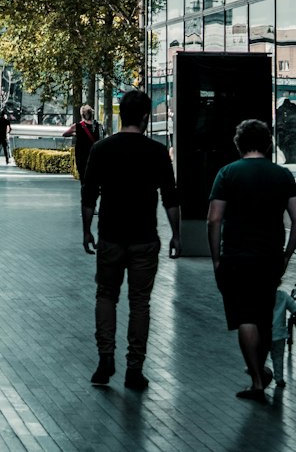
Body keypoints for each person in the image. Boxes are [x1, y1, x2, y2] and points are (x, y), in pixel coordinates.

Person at [81, 88, 180, 391]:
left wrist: (87, 230)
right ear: (146, 118)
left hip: (110, 236)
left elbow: (89, 195)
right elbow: (170, 198)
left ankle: (105, 359)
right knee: (140, 303)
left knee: (106, 296)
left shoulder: (101, 149)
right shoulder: (157, 152)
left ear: (120, 115)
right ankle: (134, 368)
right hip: (144, 238)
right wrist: (177, 234)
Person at [207, 117, 296, 401]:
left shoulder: (227, 173)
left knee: (244, 317)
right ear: (268, 143)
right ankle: (262, 373)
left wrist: (216, 259)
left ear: (239, 144)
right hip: (269, 257)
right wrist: (286, 255)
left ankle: (257, 380)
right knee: (264, 317)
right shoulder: (283, 176)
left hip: (235, 257)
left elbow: (214, 219)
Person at [65, 104, 103, 180]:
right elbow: (101, 138)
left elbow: (65, 134)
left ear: (82, 114)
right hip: (95, 153)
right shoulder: (98, 125)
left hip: (81, 155)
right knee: (94, 176)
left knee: (83, 176)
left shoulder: (77, 126)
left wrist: (76, 134)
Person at [271, 286, 296, 388]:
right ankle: (279, 378)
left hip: (262, 334)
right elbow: (294, 309)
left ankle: (259, 376)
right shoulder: (283, 296)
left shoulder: (258, 296)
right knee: (278, 356)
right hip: (279, 334)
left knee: (260, 356)